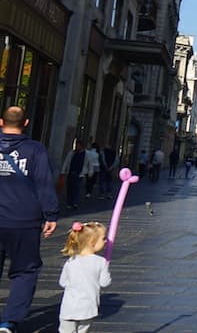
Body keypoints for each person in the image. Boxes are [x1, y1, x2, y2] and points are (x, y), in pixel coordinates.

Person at [0, 105, 60, 333]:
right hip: (24, 220)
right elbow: (44, 183)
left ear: (0, 122)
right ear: (26, 123)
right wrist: (51, 214)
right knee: (25, 270)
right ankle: (9, 321)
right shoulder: (35, 150)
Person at [58, 221, 111, 333]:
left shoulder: (71, 260)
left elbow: (63, 282)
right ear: (92, 242)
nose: (105, 241)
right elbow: (104, 282)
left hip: (69, 307)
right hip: (88, 308)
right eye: (103, 238)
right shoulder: (100, 262)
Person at [62, 142, 86, 210]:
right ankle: (69, 203)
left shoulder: (86, 154)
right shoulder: (71, 153)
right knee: (70, 188)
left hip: (79, 174)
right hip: (71, 172)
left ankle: (75, 202)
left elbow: (88, 163)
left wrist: (89, 172)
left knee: (77, 188)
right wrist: (63, 170)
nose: (77, 147)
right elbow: (67, 161)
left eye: (78, 146)